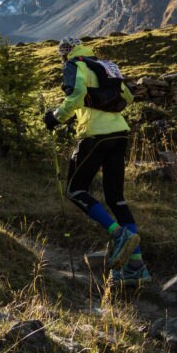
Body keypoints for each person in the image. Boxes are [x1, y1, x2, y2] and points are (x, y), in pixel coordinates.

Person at [43, 36, 150, 286]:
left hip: (94, 134)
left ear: (64, 53)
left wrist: (57, 117)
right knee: (117, 198)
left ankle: (118, 234)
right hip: (119, 132)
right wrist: (97, 106)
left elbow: (77, 94)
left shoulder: (73, 65)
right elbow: (127, 97)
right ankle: (136, 266)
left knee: (75, 189)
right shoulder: (106, 65)